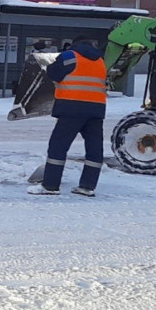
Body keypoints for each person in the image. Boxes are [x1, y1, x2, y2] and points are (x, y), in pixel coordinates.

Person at [28, 34, 107, 197]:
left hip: (72, 107)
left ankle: (50, 186)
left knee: (58, 146)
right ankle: (87, 186)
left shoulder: (70, 56)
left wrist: (59, 57)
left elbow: (52, 73)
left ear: (73, 45)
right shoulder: (100, 60)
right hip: (96, 109)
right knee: (94, 149)